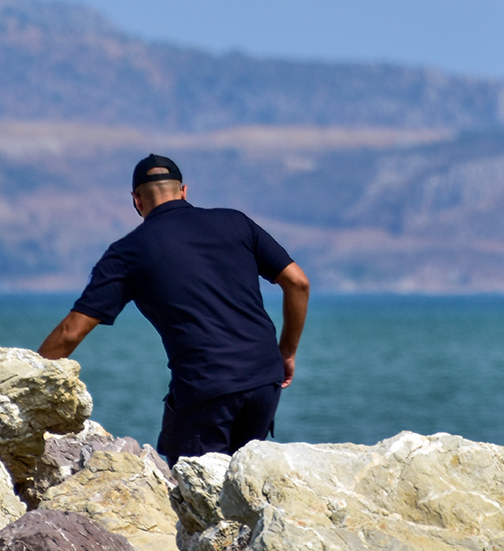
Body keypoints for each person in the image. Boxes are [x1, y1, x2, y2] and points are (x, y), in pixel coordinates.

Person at [38, 154, 310, 465]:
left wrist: (25, 380)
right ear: (184, 191)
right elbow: (298, 283)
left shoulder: (128, 253)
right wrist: (286, 352)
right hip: (264, 381)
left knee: (191, 495)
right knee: (239, 485)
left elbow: (71, 331)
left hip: (206, 389)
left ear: (136, 200)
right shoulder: (236, 222)